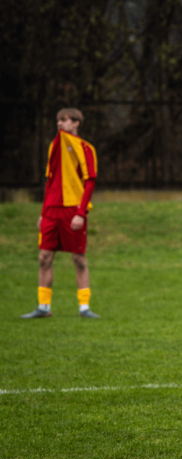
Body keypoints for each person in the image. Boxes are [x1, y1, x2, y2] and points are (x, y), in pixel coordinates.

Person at [22, 108, 100, 319]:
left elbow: (90, 182)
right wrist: (43, 211)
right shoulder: (54, 145)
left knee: (79, 259)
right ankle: (43, 307)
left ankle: (84, 308)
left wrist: (81, 213)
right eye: (58, 120)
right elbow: (50, 179)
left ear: (76, 123)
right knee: (44, 257)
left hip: (73, 209)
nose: (59, 124)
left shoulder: (86, 148)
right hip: (52, 210)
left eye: (64, 120)